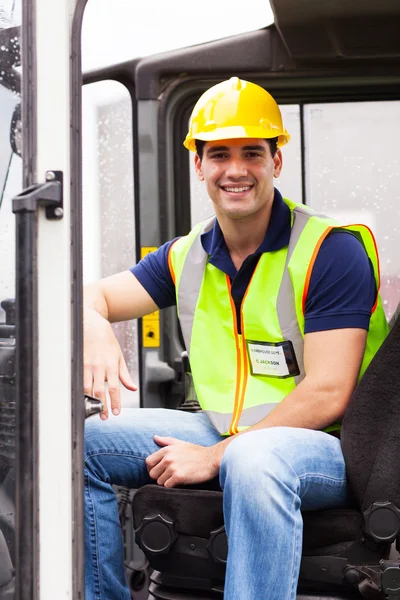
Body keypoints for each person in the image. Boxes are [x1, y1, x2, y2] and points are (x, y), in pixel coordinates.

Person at [83, 77, 389, 600]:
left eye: (252, 152)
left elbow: (329, 392)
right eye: (219, 154)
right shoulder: (187, 255)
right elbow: (94, 295)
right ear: (199, 165)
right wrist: (94, 326)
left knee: (253, 460)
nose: (236, 169)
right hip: (222, 430)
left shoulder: (329, 251)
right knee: (82, 443)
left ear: (277, 161)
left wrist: (217, 455)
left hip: (328, 447)